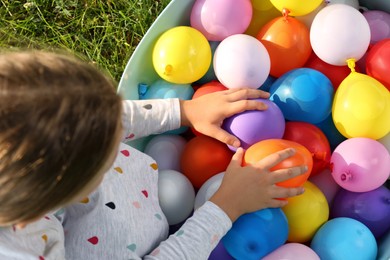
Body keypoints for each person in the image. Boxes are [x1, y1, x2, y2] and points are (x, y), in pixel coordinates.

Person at [0, 50, 307, 259]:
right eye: (108, 147)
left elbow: (97, 118)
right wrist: (226, 207)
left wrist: (183, 111)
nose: (118, 128)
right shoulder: (28, 249)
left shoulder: (29, 130)